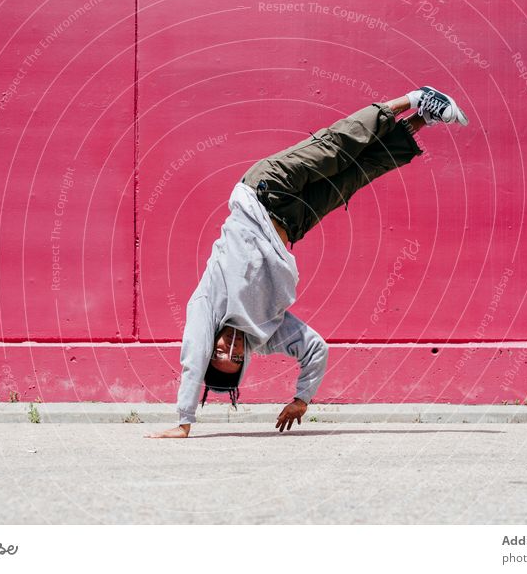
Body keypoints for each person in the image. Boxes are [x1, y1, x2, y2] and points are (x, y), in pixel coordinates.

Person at [147, 86, 469, 438]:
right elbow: (315, 348)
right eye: (235, 358)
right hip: (294, 222)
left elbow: (192, 361)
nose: (229, 348)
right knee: (356, 174)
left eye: (220, 352)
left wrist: (184, 421)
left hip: (263, 191)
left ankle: (412, 99)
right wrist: (302, 399)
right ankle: (424, 118)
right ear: (244, 360)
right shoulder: (265, 335)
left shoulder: (208, 308)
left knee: (335, 149)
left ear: (212, 349)